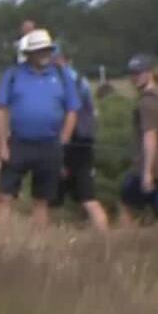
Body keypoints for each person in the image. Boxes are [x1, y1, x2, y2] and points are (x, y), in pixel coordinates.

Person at [0, 29, 78, 225]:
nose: (44, 54)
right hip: (19, 142)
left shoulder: (62, 75)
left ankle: (38, 244)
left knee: (41, 199)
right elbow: (1, 109)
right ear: (29, 53)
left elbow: (72, 110)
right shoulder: (13, 74)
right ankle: (0, 240)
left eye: (47, 50)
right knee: (5, 195)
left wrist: (63, 140)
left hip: (49, 144)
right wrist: (2, 144)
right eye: (39, 50)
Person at [120, 55, 158, 231]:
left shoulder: (147, 103)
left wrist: (147, 172)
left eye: (139, 73)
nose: (134, 77)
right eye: (132, 73)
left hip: (156, 166)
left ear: (150, 73)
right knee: (156, 206)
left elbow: (150, 136)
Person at [52, 48, 110, 231]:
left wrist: (61, 144)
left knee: (49, 197)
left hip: (71, 143)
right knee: (86, 196)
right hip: (85, 141)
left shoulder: (63, 81)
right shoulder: (80, 80)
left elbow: (70, 113)